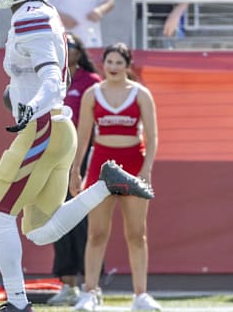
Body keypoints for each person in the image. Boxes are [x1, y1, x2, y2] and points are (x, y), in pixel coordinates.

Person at [0, 0, 154, 312]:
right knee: (40, 231)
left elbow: (48, 77)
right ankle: (106, 186)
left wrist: (29, 105)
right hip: (57, 127)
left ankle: (17, 304)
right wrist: (18, 95)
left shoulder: (30, 15)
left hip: (42, 127)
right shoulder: (39, 13)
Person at [70, 42, 160, 311]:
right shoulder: (92, 94)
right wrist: (76, 170)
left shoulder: (141, 94)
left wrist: (146, 170)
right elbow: (83, 136)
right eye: (109, 62)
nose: (113, 67)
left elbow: (153, 137)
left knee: (137, 233)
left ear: (128, 65)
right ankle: (90, 292)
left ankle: (140, 295)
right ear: (103, 64)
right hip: (101, 166)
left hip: (133, 164)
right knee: (96, 233)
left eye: (119, 62)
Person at [46, 32, 103, 307]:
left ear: (79, 51)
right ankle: (66, 284)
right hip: (53, 156)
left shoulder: (91, 82)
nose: (66, 50)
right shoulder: (48, 80)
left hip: (81, 158)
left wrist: (80, 164)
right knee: (56, 218)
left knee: (82, 220)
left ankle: (89, 285)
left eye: (70, 46)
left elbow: (96, 126)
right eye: (62, 46)